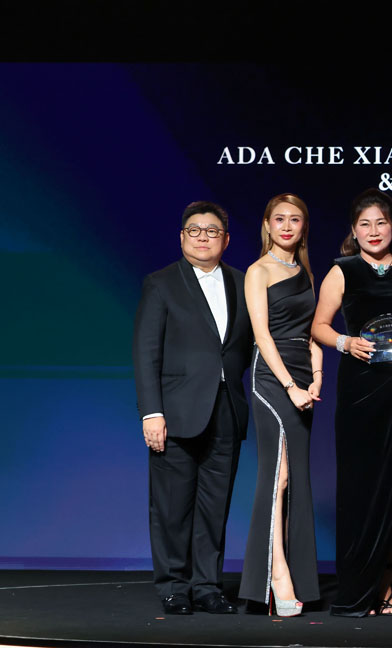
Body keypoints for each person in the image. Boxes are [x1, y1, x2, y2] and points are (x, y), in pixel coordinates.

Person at [312, 188, 392, 616]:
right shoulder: (342, 270)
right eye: (364, 224)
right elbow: (320, 326)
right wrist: (345, 342)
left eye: (380, 223)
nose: (373, 231)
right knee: (360, 488)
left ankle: (388, 587)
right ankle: (358, 591)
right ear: (353, 230)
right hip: (359, 390)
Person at [133, 201, 252, 616]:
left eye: (212, 231)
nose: (203, 237)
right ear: (182, 237)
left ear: (226, 240)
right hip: (175, 413)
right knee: (172, 507)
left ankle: (207, 587)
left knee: (215, 507)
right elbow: (146, 352)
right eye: (195, 230)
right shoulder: (161, 283)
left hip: (227, 409)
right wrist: (152, 412)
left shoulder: (243, 282)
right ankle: (173, 587)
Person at [238, 194, 322, 617]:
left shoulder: (304, 272)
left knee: (295, 479)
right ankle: (276, 575)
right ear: (267, 225)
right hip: (273, 379)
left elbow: (312, 333)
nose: (287, 226)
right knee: (279, 476)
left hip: (304, 378)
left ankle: (293, 573)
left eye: (295, 219)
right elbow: (261, 335)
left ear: (304, 227)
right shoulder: (259, 271)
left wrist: (317, 376)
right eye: (279, 219)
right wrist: (290, 385)